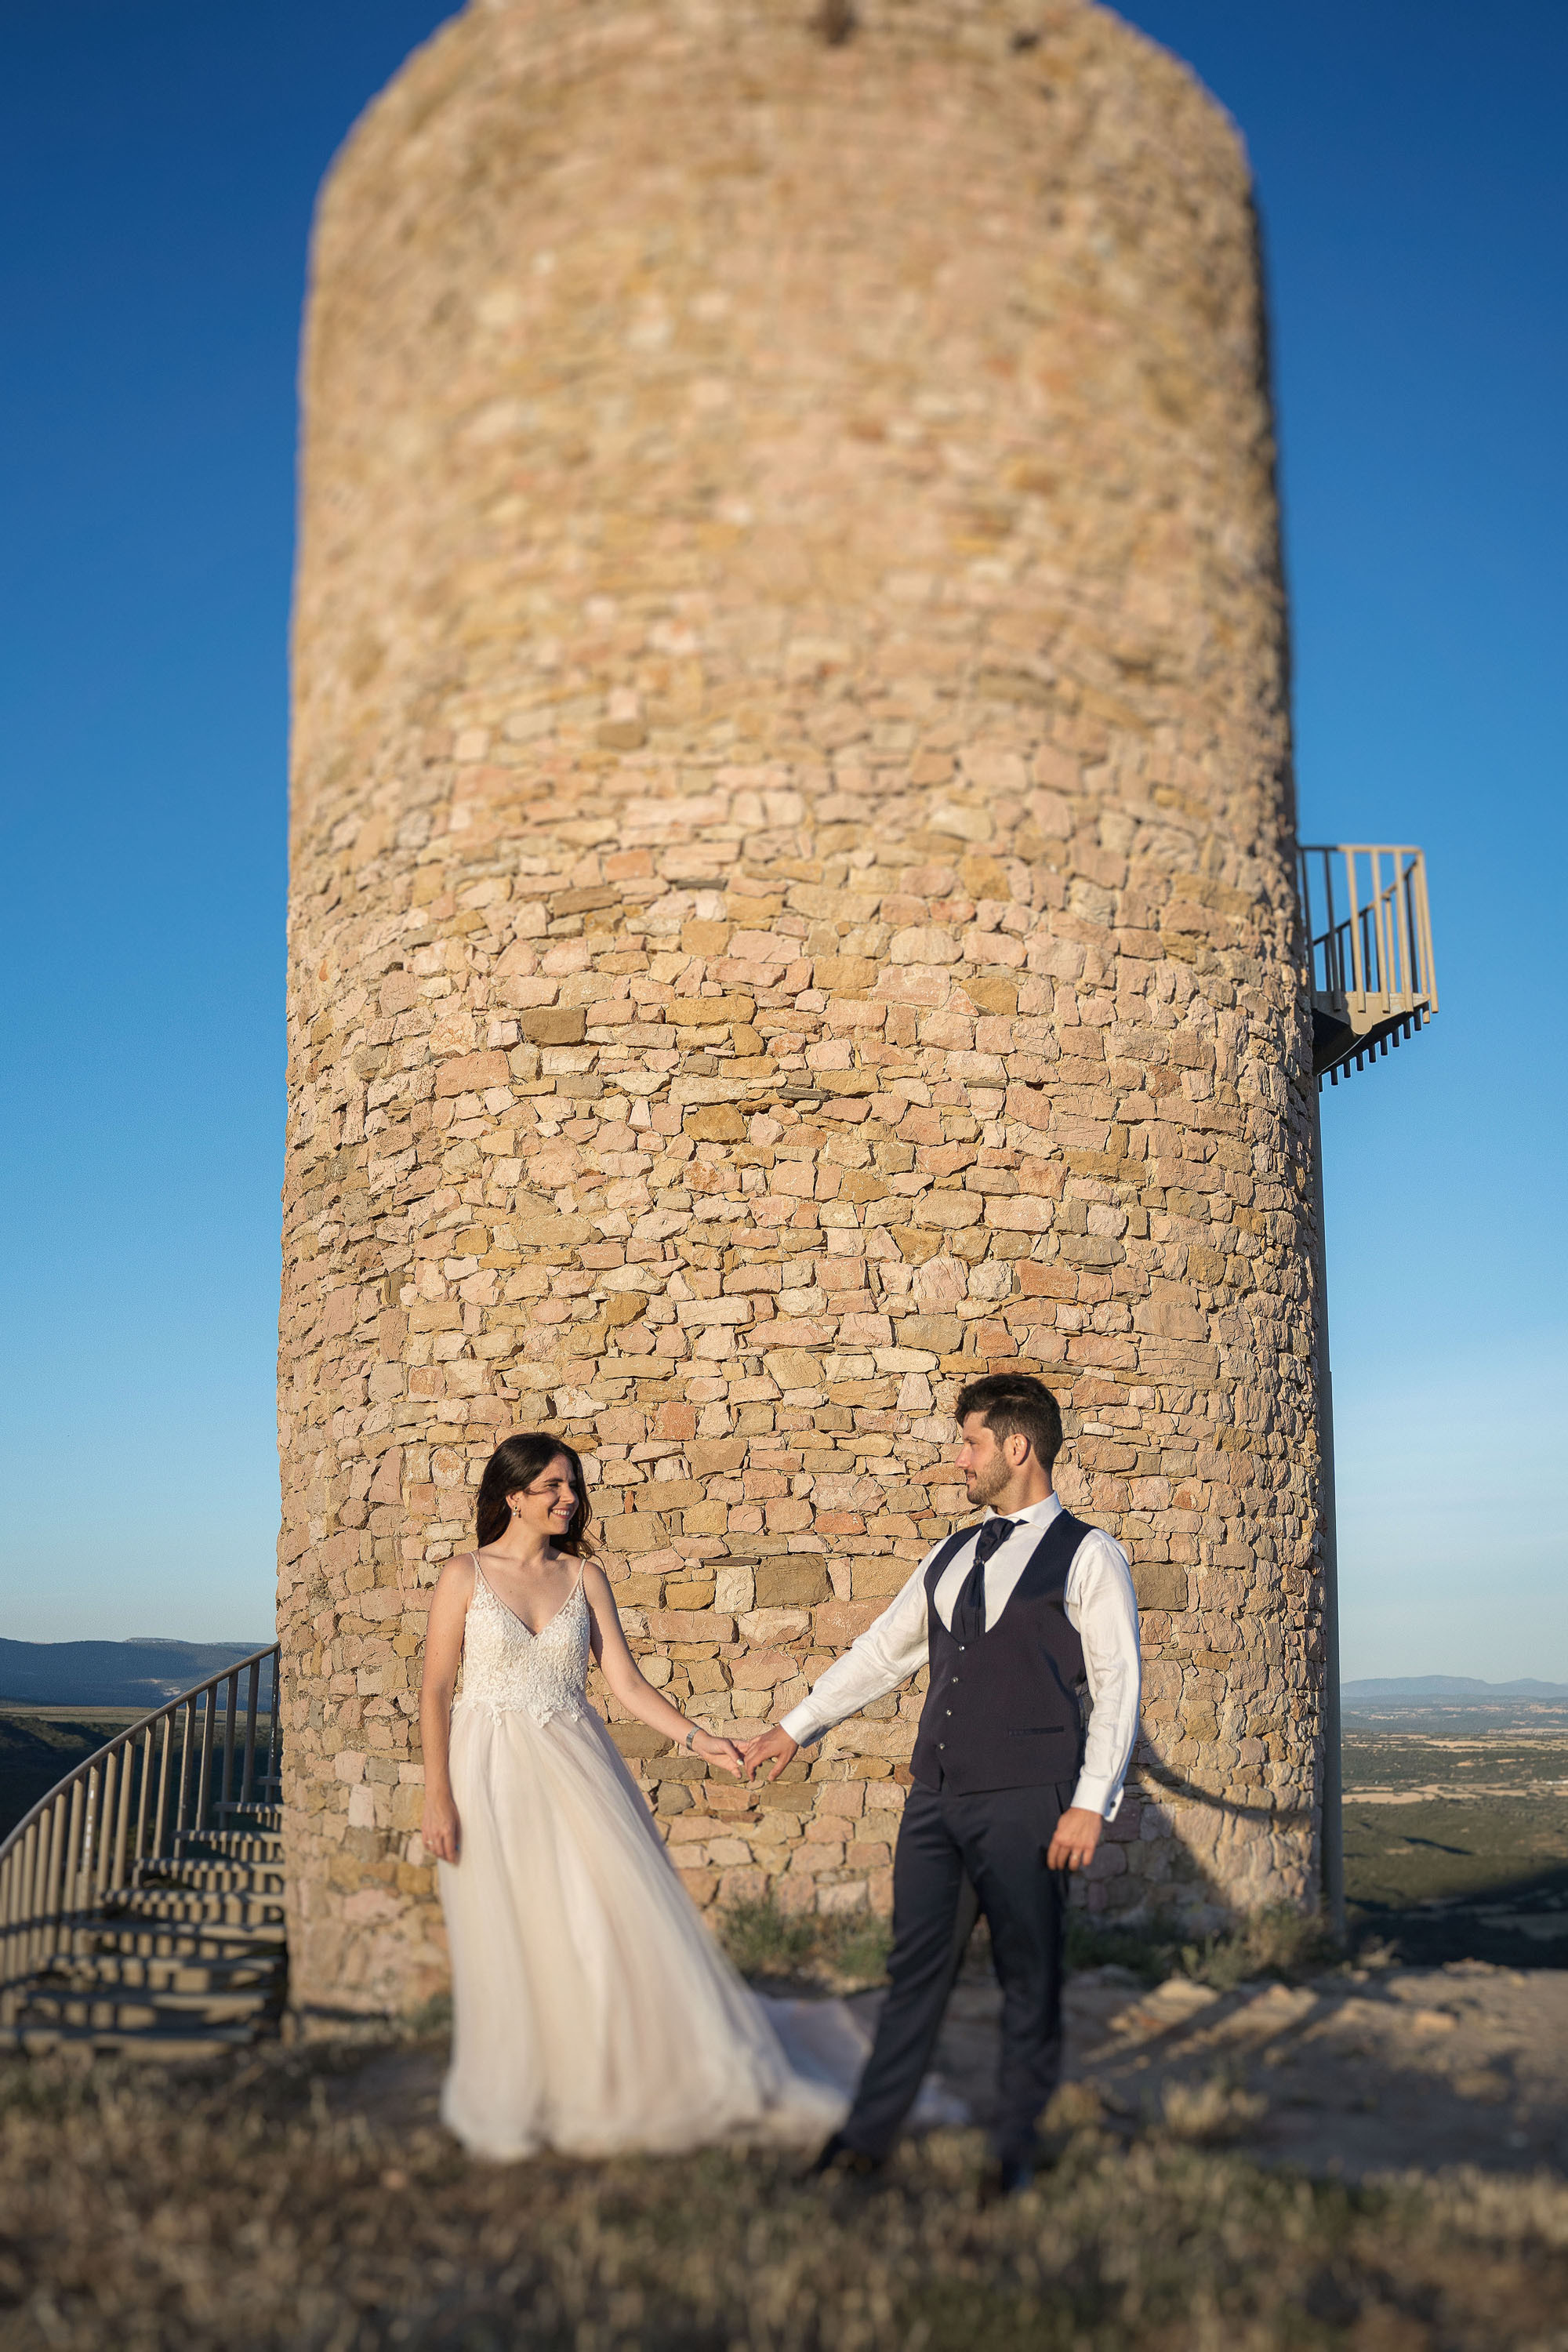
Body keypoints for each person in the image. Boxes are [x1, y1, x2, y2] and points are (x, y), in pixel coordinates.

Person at [743, 1373, 1142, 2197]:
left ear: (1016, 1447)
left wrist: (1088, 1803)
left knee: (1028, 1978)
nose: (958, 1459)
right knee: (913, 1977)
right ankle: (865, 2143)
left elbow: (1117, 1686)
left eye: (970, 1443)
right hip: (935, 1800)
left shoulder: (1089, 1555)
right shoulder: (950, 1552)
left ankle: (1013, 2152)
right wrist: (794, 1727)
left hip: (1029, 1800)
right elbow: (882, 1653)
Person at [419, 1431, 849, 2159]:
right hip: (486, 1772)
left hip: (577, 1768)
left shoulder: (584, 1578)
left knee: (593, 1917)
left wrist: (700, 1739)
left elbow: (626, 1684)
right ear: (513, 1495)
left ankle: (607, 2078)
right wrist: (438, 1796)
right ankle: (528, 2083)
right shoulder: (464, 1574)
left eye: (573, 1485)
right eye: (553, 1486)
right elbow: (434, 1689)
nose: (569, 1498)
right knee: (512, 1926)